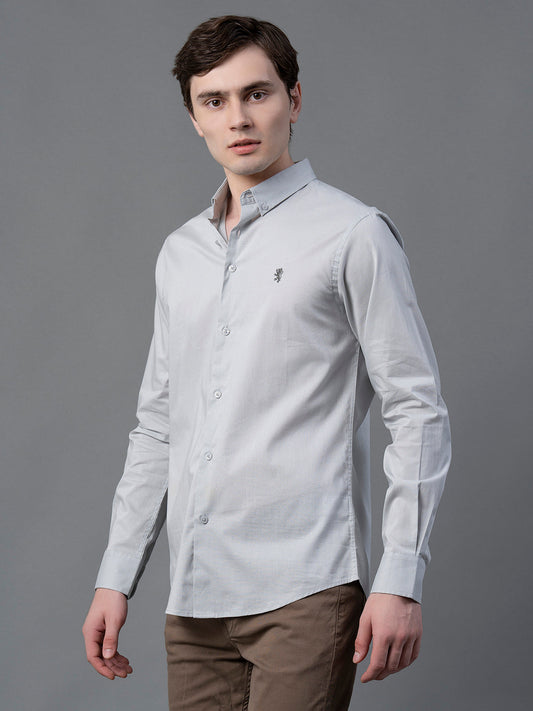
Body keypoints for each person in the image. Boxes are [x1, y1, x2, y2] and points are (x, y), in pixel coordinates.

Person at [82, 15, 451, 711]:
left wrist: (400, 578)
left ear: (294, 99)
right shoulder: (180, 253)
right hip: (194, 599)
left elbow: (417, 409)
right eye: (214, 100)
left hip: (305, 585)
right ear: (194, 118)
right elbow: (159, 425)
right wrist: (116, 574)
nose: (238, 118)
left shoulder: (353, 234)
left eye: (257, 93)